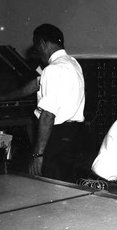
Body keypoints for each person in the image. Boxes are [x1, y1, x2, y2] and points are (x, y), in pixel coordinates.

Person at [29, 24, 85, 179]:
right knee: (68, 185)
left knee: (50, 186)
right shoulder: (73, 63)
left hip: (55, 137)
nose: (38, 52)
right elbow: (35, 84)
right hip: (73, 135)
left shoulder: (52, 70)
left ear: (42, 44)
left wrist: (38, 155)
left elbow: (48, 115)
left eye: (37, 47)